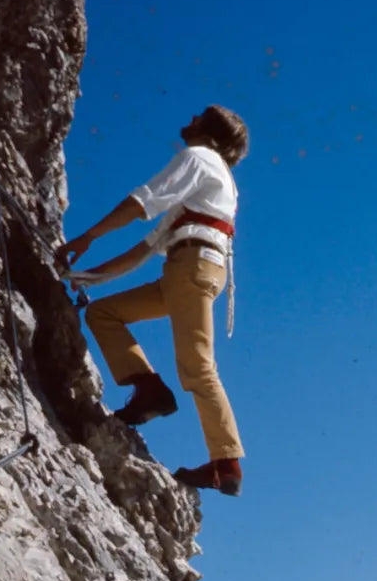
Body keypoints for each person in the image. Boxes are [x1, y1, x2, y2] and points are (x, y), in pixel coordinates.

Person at [55, 106, 247, 495]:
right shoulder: (211, 186)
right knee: (104, 313)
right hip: (189, 271)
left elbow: (142, 203)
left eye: (198, 117)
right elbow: (143, 251)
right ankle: (149, 391)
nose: (189, 119)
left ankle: (226, 463)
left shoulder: (200, 158)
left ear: (208, 131)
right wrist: (82, 277)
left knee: (197, 365)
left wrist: (87, 237)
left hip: (192, 267)